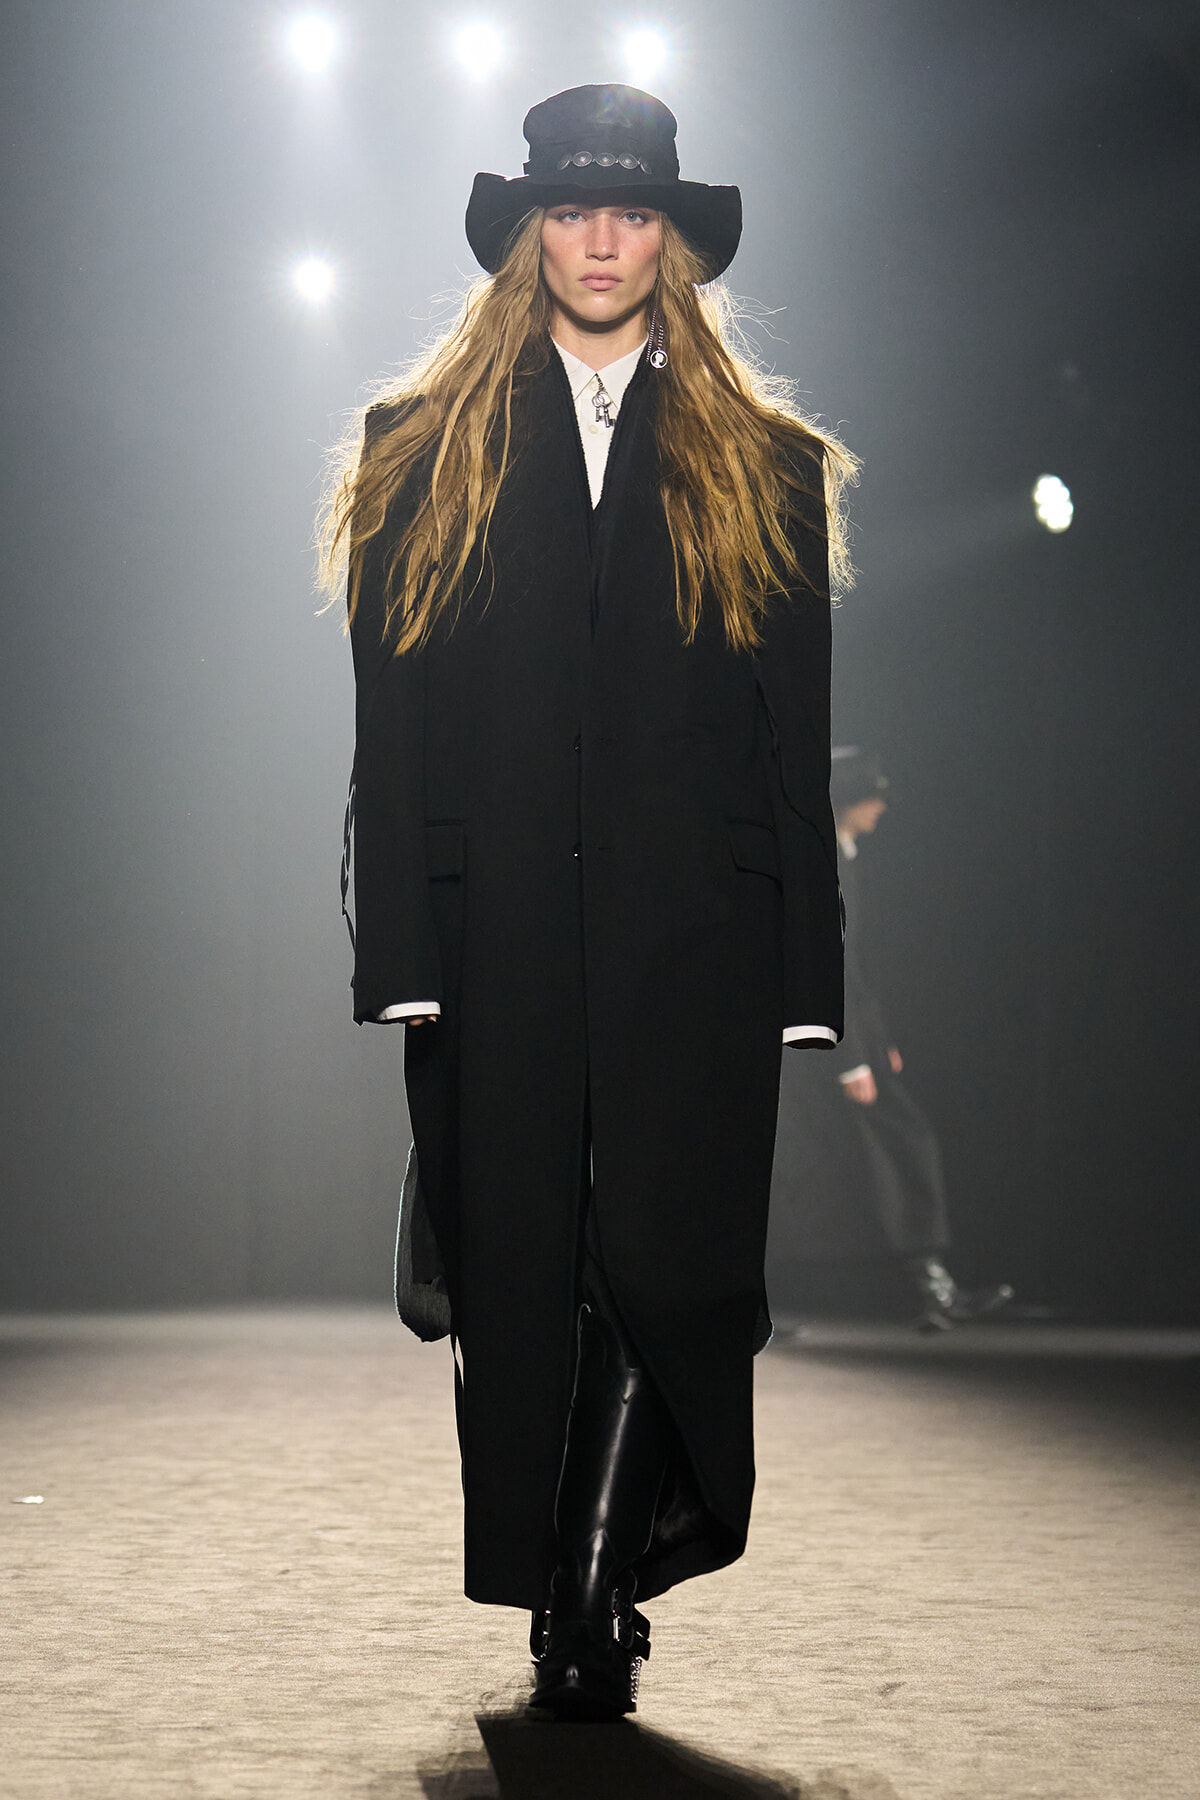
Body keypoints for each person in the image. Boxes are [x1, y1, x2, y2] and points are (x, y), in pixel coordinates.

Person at [320, 84, 855, 1720]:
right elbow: (389, 731)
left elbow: (792, 737)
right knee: (525, 1270)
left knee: (668, 1262)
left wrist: (803, 964)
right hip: (496, 944)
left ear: (673, 237)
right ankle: (576, 1577)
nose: (605, 236)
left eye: (633, 209)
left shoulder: (761, 462)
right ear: (531, 231)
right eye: (575, 206)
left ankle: (590, 1589)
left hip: (698, 934)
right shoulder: (423, 449)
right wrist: (402, 949)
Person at [767, 748, 1014, 1330]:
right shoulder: (819, 858)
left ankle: (932, 1288)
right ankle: (928, 1289)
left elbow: (853, 967)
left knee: (875, 1153)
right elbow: (820, 962)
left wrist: (877, 1043)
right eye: (873, 795)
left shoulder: (841, 856)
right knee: (826, 1161)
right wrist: (852, 1060)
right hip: (815, 1044)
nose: (882, 807)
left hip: (839, 1036)